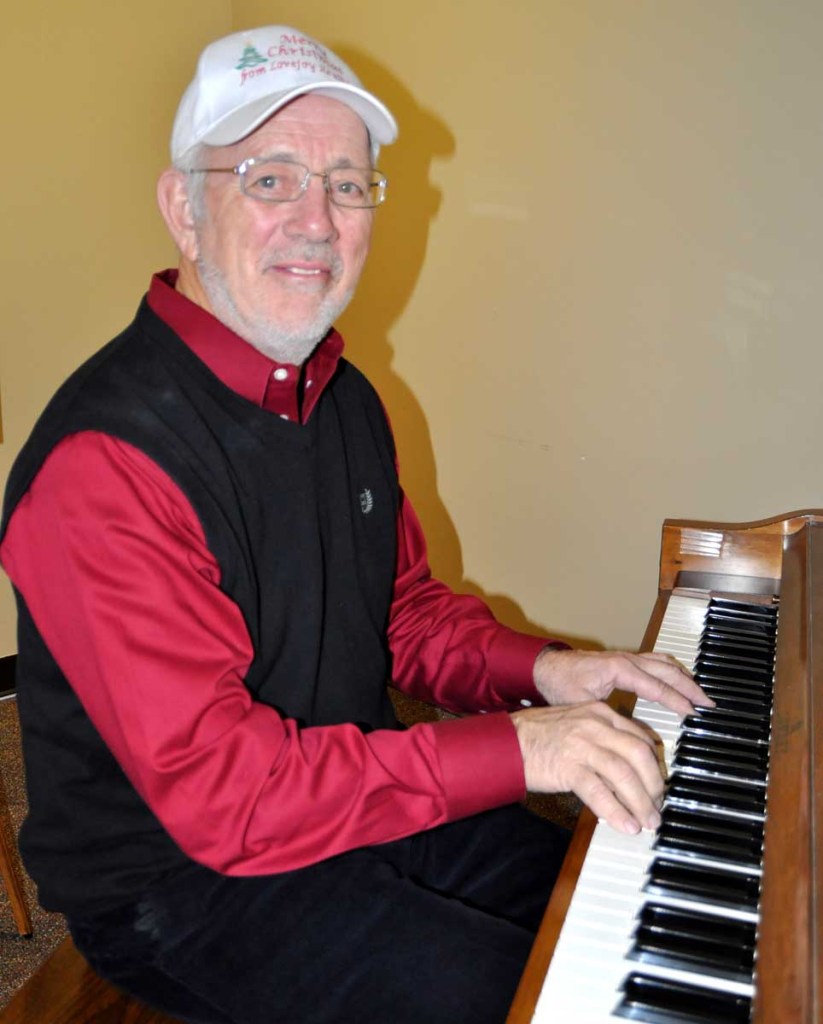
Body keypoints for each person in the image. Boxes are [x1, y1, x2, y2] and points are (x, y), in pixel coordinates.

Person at [0, 25, 710, 1024]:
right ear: (184, 210)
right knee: (546, 1000)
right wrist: (522, 747)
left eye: (346, 184)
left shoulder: (341, 396)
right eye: (271, 179)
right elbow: (228, 797)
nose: (318, 222)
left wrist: (549, 673)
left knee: (614, 893)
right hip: (181, 878)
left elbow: (400, 610)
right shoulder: (104, 462)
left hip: (344, 783)